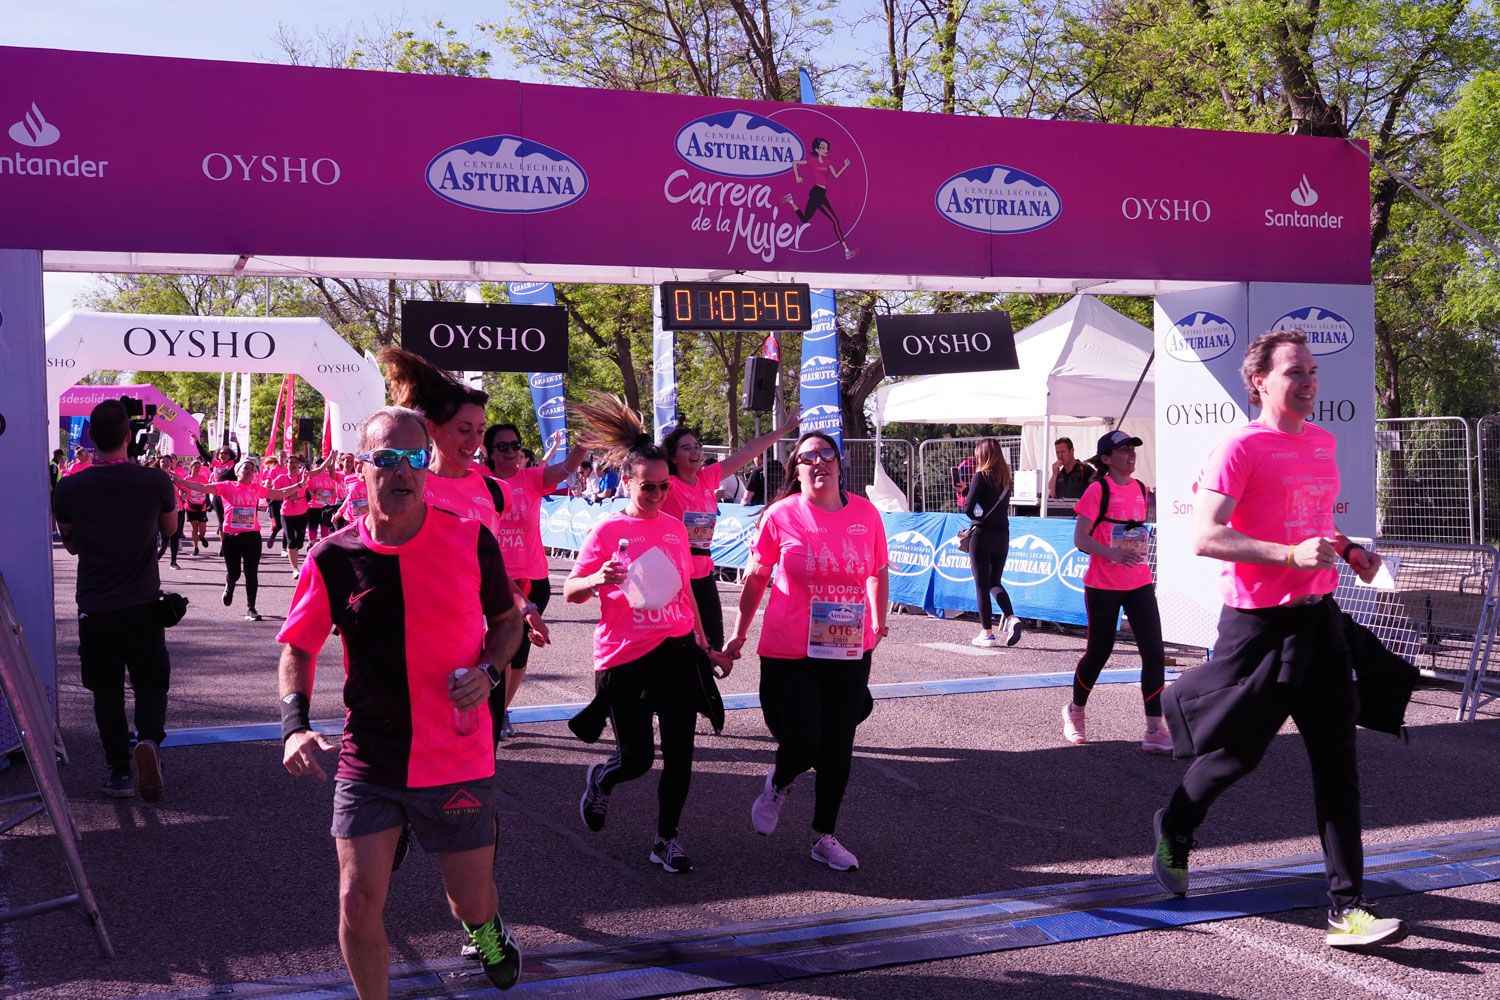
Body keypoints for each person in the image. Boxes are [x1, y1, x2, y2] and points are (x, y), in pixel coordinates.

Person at [1151, 330, 1406, 949]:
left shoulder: (1321, 443)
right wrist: (1287, 554)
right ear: (1260, 380)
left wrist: (1348, 550)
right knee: (1239, 756)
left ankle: (1347, 908)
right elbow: (1205, 536)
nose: (1310, 381)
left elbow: (1317, 523)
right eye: (1296, 371)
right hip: (1258, 628)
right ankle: (1176, 825)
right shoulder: (1239, 447)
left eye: (1314, 370)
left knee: (1337, 767)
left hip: (1320, 621)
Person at [277, 406, 526, 995]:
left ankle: (487, 930)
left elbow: (507, 622)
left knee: (468, 899)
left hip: (457, 754)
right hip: (372, 757)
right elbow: (298, 646)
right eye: (386, 458)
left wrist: (491, 671)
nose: (402, 471)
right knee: (357, 899)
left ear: (426, 466)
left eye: (414, 458)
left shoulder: (470, 538)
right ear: (360, 468)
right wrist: (294, 726)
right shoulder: (333, 559)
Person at [564, 394, 731, 874]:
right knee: (636, 759)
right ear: (627, 482)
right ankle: (602, 780)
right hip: (625, 656)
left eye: (662, 487)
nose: (657, 495)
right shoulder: (606, 530)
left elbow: (685, 594)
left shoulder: (676, 531)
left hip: (677, 652)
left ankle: (666, 839)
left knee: (681, 753)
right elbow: (573, 591)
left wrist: (706, 647)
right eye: (648, 488)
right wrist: (599, 580)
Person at [726, 432, 890, 872]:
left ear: (840, 463)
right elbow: (757, 580)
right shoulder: (780, 515)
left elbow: (876, 571)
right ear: (796, 470)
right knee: (803, 740)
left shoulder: (866, 514)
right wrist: (738, 634)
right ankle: (779, 782)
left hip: (848, 646)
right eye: (808, 457)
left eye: (826, 454)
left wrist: (878, 620)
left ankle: (825, 836)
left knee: (838, 744)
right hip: (789, 648)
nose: (819, 461)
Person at [379, 347, 549, 749]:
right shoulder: (410, 485)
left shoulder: (494, 491)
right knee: (410, 749)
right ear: (434, 429)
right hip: (412, 637)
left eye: (480, 430)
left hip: (474, 638)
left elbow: (491, 569)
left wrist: (524, 607)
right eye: (464, 429)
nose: (475, 441)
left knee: (475, 748)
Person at [51, 400, 179, 801]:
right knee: (150, 680)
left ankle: (120, 771)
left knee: (105, 690)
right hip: (142, 602)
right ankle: (150, 743)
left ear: (91, 437)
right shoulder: (156, 482)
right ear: (129, 436)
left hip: (95, 605)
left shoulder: (69, 487)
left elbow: (70, 545)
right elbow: (170, 528)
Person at [1064, 430, 1169, 751]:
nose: (1131, 454)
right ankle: (1075, 711)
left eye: (1133, 449)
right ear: (1107, 459)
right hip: (1102, 585)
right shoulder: (1098, 490)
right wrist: (1113, 553)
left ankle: (1154, 729)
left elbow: (1133, 530)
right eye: (1123, 450)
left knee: (1154, 653)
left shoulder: (1140, 489)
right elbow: (1081, 540)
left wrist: (1136, 543)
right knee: (1100, 653)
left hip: (1138, 582)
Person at [659, 415, 798, 651]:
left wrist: (782, 430)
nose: (694, 452)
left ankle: (704, 684)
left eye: (696, 447)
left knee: (713, 642)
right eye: (686, 448)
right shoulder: (667, 484)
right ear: (672, 457)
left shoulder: (707, 478)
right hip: (676, 572)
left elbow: (748, 451)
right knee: (684, 643)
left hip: (703, 571)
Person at [482, 424, 585, 737]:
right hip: (493, 580)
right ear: (488, 451)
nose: (511, 451)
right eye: (502, 447)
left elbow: (568, 466)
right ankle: (487, 708)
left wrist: (584, 441)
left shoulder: (532, 478)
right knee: (491, 647)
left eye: (515, 445)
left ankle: (501, 712)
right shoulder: (479, 482)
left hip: (534, 577)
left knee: (520, 653)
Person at [174, 459, 306, 622]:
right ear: (237, 472)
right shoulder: (227, 486)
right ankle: (230, 584)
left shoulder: (256, 489)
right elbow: (203, 487)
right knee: (234, 573)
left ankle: (251, 608)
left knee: (251, 574)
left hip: (252, 537)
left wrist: (300, 484)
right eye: (246, 468)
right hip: (231, 538)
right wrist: (181, 481)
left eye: (252, 468)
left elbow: (280, 493)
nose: (250, 470)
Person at [962, 439, 1020, 648]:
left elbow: (969, 508)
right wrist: (969, 491)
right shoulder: (1005, 478)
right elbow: (990, 500)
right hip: (1002, 535)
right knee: (995, 581)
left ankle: (987, 633)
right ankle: (1011, 617)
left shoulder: (980, 475)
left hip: (982, 535)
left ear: (983, 455)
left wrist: (975, 508)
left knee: (982, 585)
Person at [782, 137, 858, 259]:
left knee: (805, 219)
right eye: (822, 148)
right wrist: (797, 176)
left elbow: (836, 175)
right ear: (817, 149)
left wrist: (846, 165)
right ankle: (846, 251)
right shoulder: (813, 161)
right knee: (835, 221)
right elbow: (794, 162)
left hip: (819, 193)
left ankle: (790, 200)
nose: (825, 150)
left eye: (826, 148)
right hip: (817, 193)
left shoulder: (828, 162)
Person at [275, 454, 313, 578]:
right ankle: (295, 569)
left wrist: (330, 459)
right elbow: (274, 494)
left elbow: (319, 470)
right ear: (286, 465)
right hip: (286, 514)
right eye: (290, 462)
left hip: (302, 512)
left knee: (300, 543)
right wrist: (286, 496)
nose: (293, 465)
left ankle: (296, 551)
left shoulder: (304, 476)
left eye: (295, 462)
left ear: (298, 464)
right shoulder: (280, 478)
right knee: (291, 542)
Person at [155, 454, 186, 570]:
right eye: (163, 461)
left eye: (167, 461)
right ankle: (156, 558)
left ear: (172, 463)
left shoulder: (176, 477)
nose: (165, 463)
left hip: (178, 510)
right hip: (162, 511)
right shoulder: (156, 477)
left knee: (175, 537)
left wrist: (184, 495)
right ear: (159, 463)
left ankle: (173, 561)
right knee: (164, 540)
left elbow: (184, 491)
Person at [182, 458, 212, 554]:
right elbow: (182, 491)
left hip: (202, 507)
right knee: (194, 528)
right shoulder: (187, 479)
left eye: (199, 468)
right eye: (195, 467)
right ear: (191, 468)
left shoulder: (203, 478)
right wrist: (182, 494)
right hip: (190, 506)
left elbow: (208, 489)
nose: (197, 469)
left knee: (203, 529)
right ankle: (196, 548)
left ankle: (201, 537)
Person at [1048, 437, 1090, 502]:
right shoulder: (1059, 474)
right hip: (1062, 511)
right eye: (1057, 452)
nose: (1060, 456)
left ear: (1072, 451)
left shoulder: (1085, 469)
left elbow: (1099, 492)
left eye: (1063, 452)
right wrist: (1054, 474)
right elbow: (1050, 496)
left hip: (1080, 511)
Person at [263, 454, 286, 549]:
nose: (282, 458)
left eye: (283, 456)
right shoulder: (273, 470)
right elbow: (269, 483)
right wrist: (268, 485)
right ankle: (273, 536)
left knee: (286, 524)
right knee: (278, 524)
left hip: (285, 498)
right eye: (280, 456)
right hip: (274, 499)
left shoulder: (287, 469)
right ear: (277, 458)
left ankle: (285, 547)